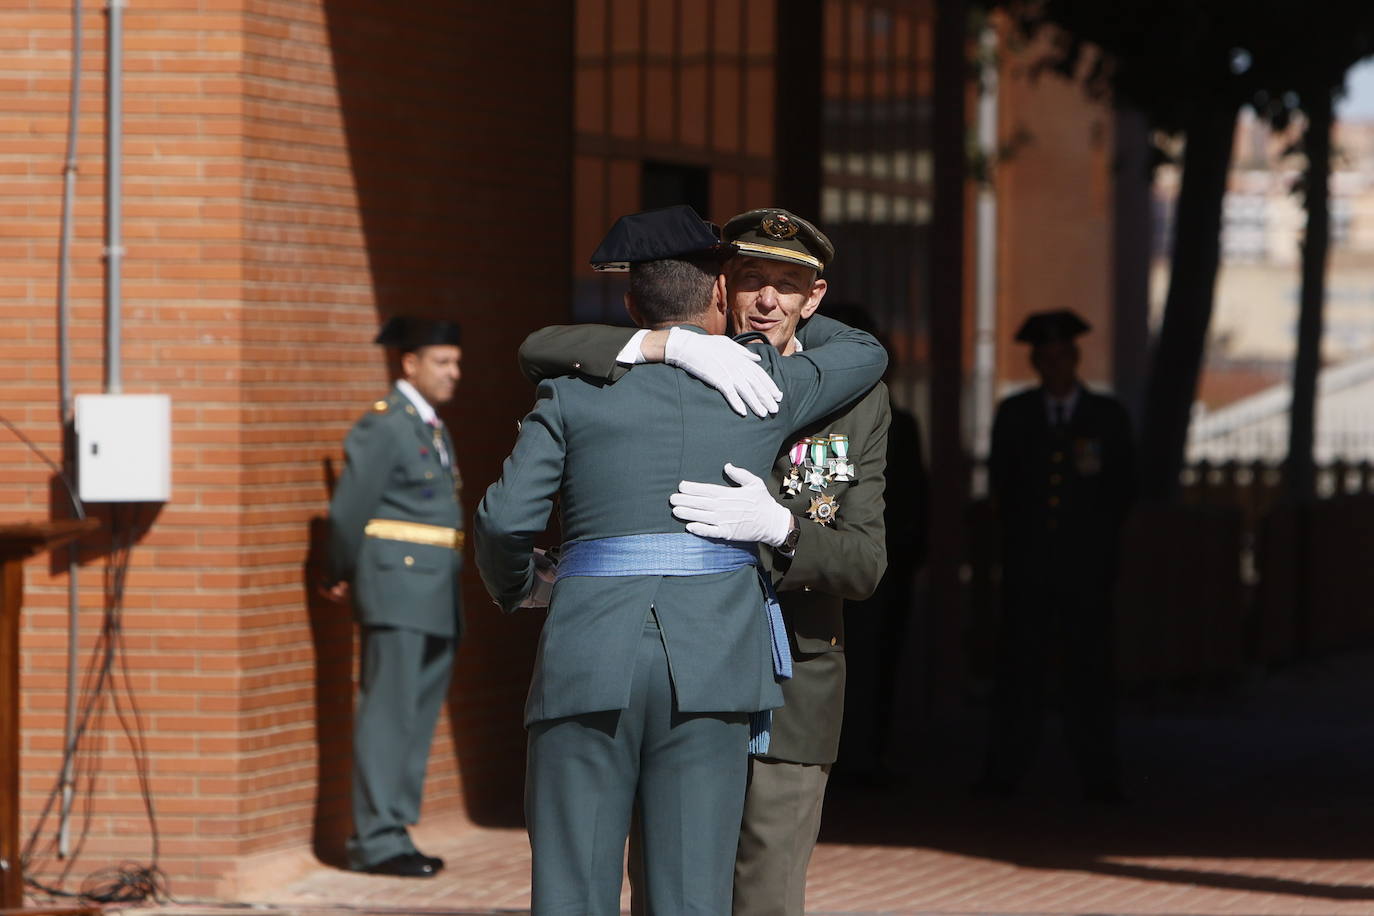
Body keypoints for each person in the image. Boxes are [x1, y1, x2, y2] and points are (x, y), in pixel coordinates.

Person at [474, 205, 887, 915]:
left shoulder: (574, 388)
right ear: (721, 293)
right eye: (748, 282)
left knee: (572, 886)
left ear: (631, 304)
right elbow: (868, 351)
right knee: (692, 892)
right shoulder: (765, 386)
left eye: (788, 285)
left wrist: (526, 588)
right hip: (715, 661)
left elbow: (505, 516)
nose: (766, 301)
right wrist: (671, 345)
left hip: (589, 646)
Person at [322, 316, 464, 878]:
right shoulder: (386, 424)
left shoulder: (427, 424)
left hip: (431, 587)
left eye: (456, 362)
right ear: (409, 363)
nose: (455, 373)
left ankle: (394, 829)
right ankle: (376, 839)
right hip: (398, 586)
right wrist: (338, 568)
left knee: (414, 716)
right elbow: (349, 508)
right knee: (388, 715)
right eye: (443, 362)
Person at [975, 308, 1135, 803]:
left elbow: (1122, 492)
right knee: (1019, 673)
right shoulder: (1016, 414)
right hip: (1028, 570)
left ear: (1076, 358)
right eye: (1044, 356)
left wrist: (1101, 556)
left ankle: (1098, 775)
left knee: (1089, 672)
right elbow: (1003, 487)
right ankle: (1006, 772)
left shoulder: (1107, 416)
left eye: (1062, 354)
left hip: (1086, 572)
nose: (1054, 364)